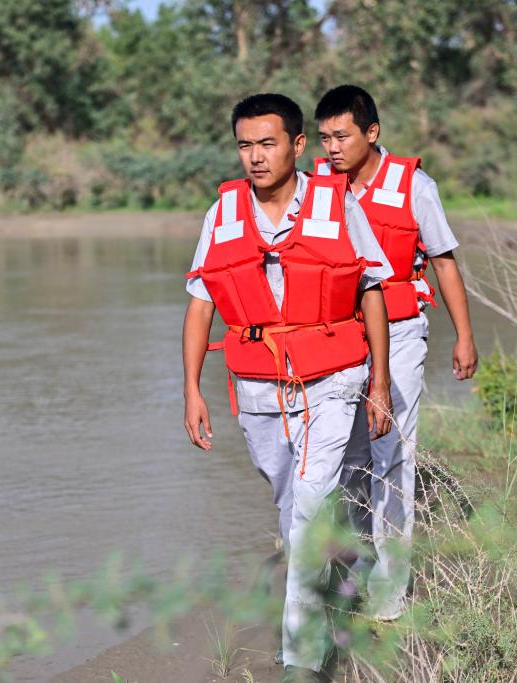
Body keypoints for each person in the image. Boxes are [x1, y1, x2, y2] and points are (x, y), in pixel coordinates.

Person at [182, 92, 393, 681]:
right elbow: (200, 307)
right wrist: (191, 390)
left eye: (267, 143)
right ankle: (341, 571)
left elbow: (372, 287)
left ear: (297, 146)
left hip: (333, 379)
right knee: (289, 506)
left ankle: (301, 660)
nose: (255, 156)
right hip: (257, 388)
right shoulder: (221, 214)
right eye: (245, 145)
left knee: (304, 510)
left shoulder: (338, 203)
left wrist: (379, 379)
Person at [313, 85, 479, 621]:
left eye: (342, 135)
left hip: (402, 331)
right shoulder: (318, 189)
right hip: (339, 337)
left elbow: (445, 261)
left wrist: (465, 335)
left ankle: (389, 591)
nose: (333, 147)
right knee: (346, 456)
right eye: (324, 138)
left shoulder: (415, 187)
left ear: (372, 133)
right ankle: (352, 565)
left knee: (392, 457)